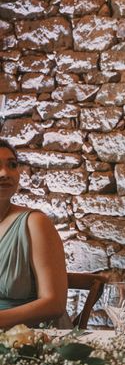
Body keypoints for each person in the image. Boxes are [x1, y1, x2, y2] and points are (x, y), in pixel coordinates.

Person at [0, 140, 69, 329]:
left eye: (12, 165)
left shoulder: (35, 223)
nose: (5, 173)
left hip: (29, 341)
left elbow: (54, 304)